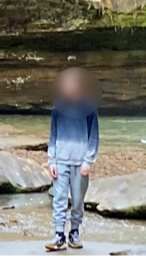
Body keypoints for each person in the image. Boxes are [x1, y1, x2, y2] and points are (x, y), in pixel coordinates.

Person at [46, 71, 100, 252]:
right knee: (59, 198)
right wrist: (51, 161)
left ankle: (74, 232)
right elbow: (52, 135)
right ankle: (59, 234)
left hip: (80, 161)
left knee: (77, 200)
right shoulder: (57, 108)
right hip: (60, 160)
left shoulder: (89, 109)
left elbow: (94, 137)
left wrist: (88, 161)